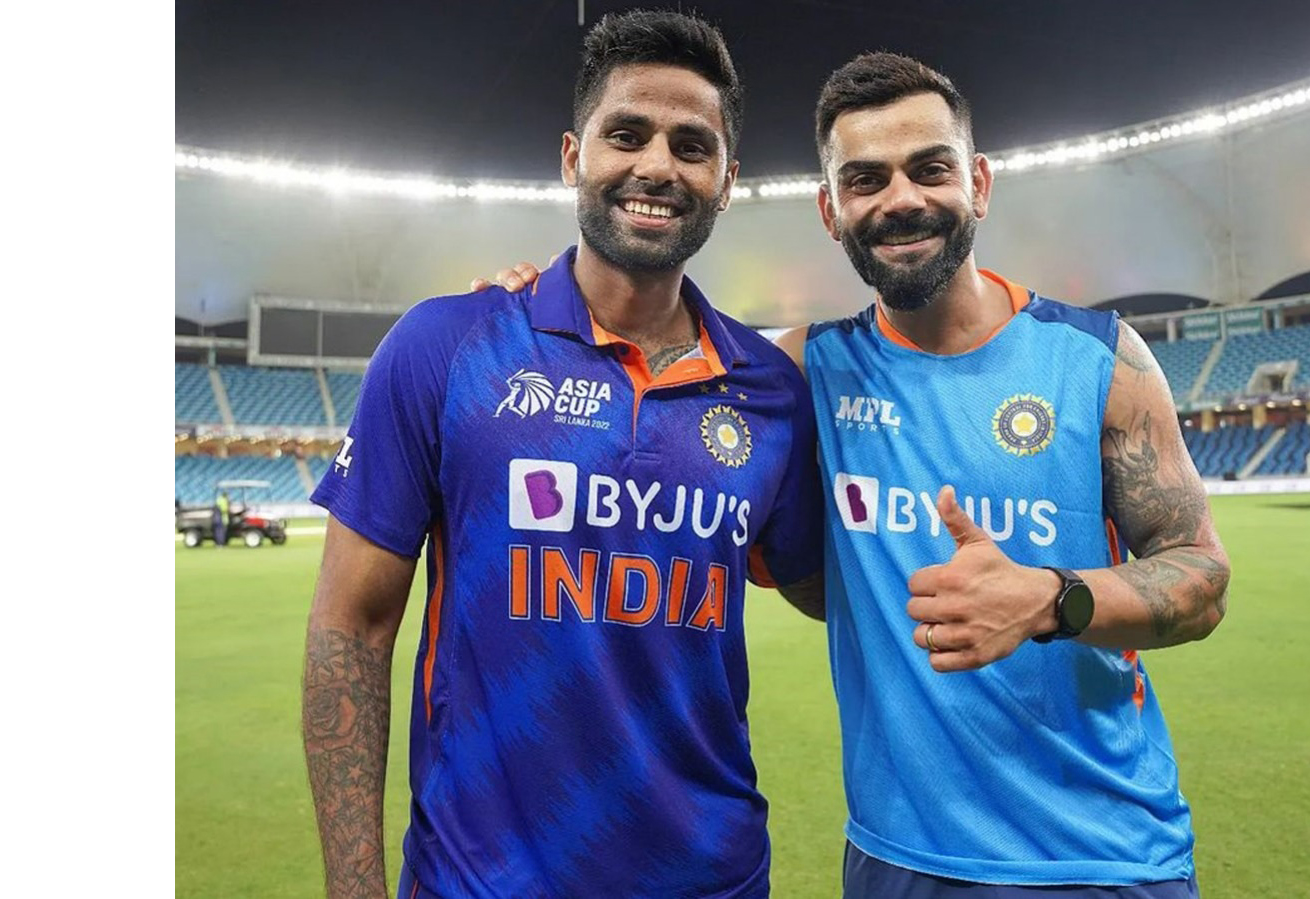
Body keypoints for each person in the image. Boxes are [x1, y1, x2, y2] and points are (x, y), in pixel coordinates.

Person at [476, 51, 1230, 899]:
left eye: (930, 169)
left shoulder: (1100, 359)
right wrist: (522, 314)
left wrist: (1051, 598)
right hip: (895, 859)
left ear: (978, 183)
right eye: (865, 179)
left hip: (1106, 856)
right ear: (830, 210)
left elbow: (1201, 576)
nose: (900, 199)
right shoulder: (793, 376)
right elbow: (638, 373)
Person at [301, 10, 824, 899]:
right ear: (573, 156)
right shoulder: (446, 345)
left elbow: (825, 588)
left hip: (714, 879)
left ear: (727, 181)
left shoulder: (769, 388)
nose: (657, 165)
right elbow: (351, 628)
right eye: (627, 134)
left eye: (691, 146)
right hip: (482, 882)